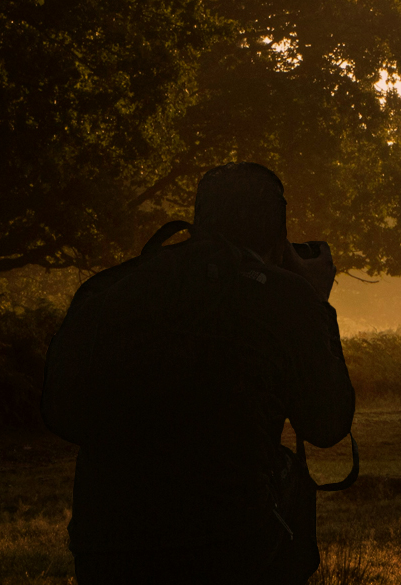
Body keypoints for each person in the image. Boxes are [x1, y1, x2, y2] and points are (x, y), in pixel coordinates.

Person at [42, 162, 356, 584]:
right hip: (231, 547)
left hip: (108, 547)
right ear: (277, 233)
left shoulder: (116, 287)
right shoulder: (283, 298)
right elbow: (327, 423)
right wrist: (316, 300)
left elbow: (61, 414)